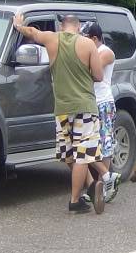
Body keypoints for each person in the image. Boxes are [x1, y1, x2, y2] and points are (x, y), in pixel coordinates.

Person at [11, 12, 113, 214]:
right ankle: (75, 199)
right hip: (84, 107)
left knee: (68, 154)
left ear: (61, 27)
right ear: (78, 27)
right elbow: (99, 76)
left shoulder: (51, 38)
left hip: (62, 109)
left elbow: (32, 32)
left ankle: (92, 185)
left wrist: (18, 25)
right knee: (83, 155)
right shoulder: (88, 45)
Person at [81, 22, 121, 204]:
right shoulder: (88, 51)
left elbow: (90, 70)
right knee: (86, 144)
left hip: (103, 102)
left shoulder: (106, 52)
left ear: (94, 38)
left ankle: (103, 185)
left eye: (84, 38)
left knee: (103, 145)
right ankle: (98, 184)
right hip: (88, 102)